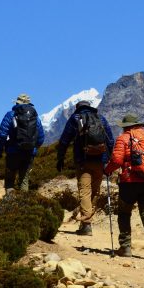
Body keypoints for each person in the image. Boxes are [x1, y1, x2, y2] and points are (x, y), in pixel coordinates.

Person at [105, 114, 144, 260]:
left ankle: (125, 247)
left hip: (129, 182)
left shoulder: (124, 138)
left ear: (125, 126)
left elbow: (117, 160)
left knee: (124, 213)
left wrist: (107, 170)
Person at [56, 100, 115, 235]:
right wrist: (109, 160)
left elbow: (65, 140)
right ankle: (86, 221)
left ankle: (86, 224)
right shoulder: (101, 118)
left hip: (83, 161)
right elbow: (110, 140)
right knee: (95, 191)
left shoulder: (75, 118)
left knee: (85, 192)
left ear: (78, 108)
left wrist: (60, 158)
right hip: (101, 161)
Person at [0, 94, 45, 191]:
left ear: (17, 103)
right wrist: (33, 147)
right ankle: (24, 203)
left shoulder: (10, 115)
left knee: (10, 180)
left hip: (13, 152)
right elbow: (41, 137)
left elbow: (2, 134)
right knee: (24, 179)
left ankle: (9, 203)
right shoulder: (35, 117)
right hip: (29, 153)